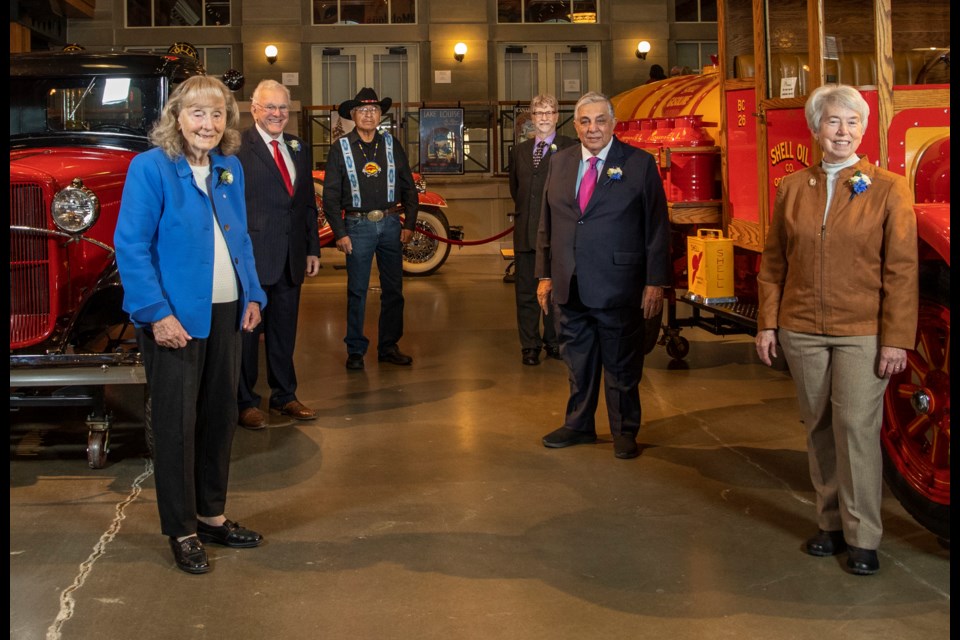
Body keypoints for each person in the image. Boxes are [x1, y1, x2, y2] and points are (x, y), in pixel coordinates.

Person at [755, 84, 918, 576]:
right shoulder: (791, 188)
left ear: (863, 130)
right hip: (801, 328)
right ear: (815, 129)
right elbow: (773, 263)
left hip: (861, 330)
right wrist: (768, 324)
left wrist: (896, 337)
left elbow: (902, 269)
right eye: (832, 122)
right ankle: (828, 524)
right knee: (819, 426)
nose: (842, 131)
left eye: (851, 123)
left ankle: (863, 535)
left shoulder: (889, 187)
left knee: (857, 430)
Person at [114, 75, 268, 574]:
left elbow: (239, 236)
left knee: (220, 417)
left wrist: (254, 293)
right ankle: (181, 529)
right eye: (198, 113)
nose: (209, 123)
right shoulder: (151, 169)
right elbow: (131, 248)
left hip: (227, 311)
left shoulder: (229, 168)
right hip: (176, 320)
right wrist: (156, 314)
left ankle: (211, 515)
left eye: (218, 113)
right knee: (177, 427)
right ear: (177, 117)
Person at [535, 91, 671, 460]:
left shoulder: (639, 164)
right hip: (570, 282)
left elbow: (657, 226)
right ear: (575, 126)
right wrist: (544, 275)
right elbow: (547, 223)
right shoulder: (559, 162)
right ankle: (578, 425)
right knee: (577, 362)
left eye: (600, 120)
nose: (592, 128)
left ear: (613, 124)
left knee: (621, 365)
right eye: (585, 121)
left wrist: (654, 281)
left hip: (619, 284)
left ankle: (624, 431)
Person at [236, 80, 321, 430]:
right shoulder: (237, 147)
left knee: (284, 332)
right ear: (254, 109)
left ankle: (284, 395)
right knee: (245, 336)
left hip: (291, 257)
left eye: (283, 108)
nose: (277, 114)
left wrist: (312, 247)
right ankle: (245, 401)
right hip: (252, 259)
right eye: (270, 107)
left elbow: (304, 205)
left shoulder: (298, 147)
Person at [322, 88, 419, 370]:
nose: (368, 115)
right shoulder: (340, 148)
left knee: (394, 290)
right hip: (357, 227)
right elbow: (330, 196)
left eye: (374, 110)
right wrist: (340, 232)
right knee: (357, 291)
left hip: (390, 224)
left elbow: (408, 187)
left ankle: (388, 346)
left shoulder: (392, 144)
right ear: (352, 115)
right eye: (362, 111)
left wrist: (409, 224)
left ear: (380, 115)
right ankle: (355, 350)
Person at [508, 94, 577, 366]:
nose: (545, 117)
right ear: (532, 118)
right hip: (525, 232)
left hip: (556, 234)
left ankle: (553, 341)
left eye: (550, 112)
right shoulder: (519, 152)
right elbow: (516, 190)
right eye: (539, 112)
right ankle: (529, 345)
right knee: (525, 292)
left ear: (557, 116)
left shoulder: (570, 148)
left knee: (555, 291)